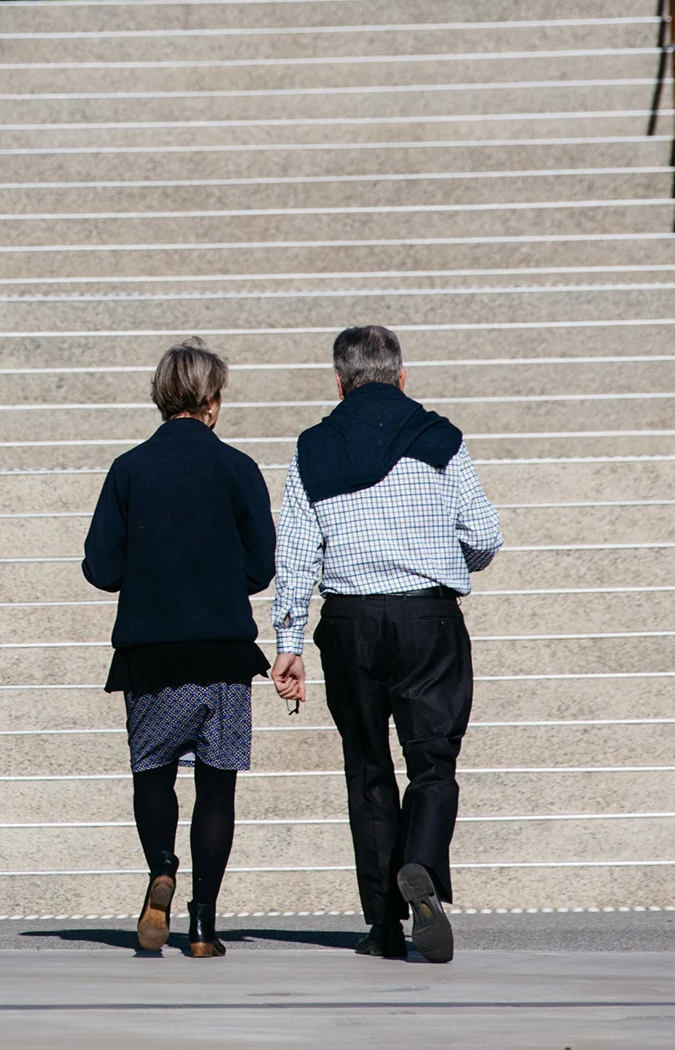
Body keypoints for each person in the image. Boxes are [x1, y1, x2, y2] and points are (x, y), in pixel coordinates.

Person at [270, 324, 501, 964]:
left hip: (348, 625)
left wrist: (288, 641)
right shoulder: (439, 438)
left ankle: (381, 927)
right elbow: (485, 536)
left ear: (339, 382)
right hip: (428, 620)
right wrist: (435, 557)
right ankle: (421, 863)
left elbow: (294, 555)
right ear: (402, 378)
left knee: (368, 770)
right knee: (433, 763)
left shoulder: (313, 448)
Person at [81, 339, 275, 959]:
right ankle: (203, 926)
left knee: (154, 773)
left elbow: (100, 568)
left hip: (151, 653)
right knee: (217, 789)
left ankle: (161, 868)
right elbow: (261, 567)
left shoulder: (128, 469)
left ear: (161, 399)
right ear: (212, 403)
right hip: (222, 651)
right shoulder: (239, 468)